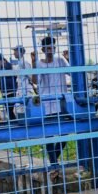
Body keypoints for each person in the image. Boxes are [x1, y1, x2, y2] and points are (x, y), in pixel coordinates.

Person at [33, 36, 70, 164]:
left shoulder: (60, 60)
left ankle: (54, 158)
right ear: (43, 49)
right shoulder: (39, 63)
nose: (51, 50)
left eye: (53, 47)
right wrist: (33, 66)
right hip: (47, 104)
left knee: (64, 133)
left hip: (61, 103)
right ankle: (54, 163)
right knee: (49, 134)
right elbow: (34, 81)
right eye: (48, 48)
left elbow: (71, 72)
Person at [0, 53, 17, 120]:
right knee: (8, 109)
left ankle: (14, 122)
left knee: (11, 109)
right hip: (4, 91)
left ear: (2, 60)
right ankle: (13, 122)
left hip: (11, 90)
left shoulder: (10, 66)